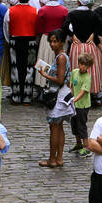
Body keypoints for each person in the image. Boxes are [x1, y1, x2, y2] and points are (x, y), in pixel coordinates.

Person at [37, 28, 73, 169]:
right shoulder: (61, 56)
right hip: (62, 95)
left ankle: (53, 159)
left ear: (62, 42)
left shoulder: (61, 58)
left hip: (58, 95)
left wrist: (44, 75)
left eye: (55, 41)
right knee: (59, 127)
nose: (52, 44)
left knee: (54, 128)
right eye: (51, 41)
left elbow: (59, 79)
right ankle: (59, 158)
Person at [7, 0, 39, 105]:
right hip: (30, 41)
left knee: (15, 68)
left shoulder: (10, 11)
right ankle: (27, 97)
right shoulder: (35, 11)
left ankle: (16, 96)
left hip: (15, 40)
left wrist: (9, 39)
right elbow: (37, 28)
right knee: (29, 68)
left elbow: (6, 28)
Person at [69, 52, 93, 155]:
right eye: (81, 64)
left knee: (81, 125)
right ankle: (78, 144)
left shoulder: (87, 77)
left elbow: (82, 92)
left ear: (88, 67)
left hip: (82, 106)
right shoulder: (74, 72)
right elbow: (71, 86)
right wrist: (70, 97)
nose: (82, 67)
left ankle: (86, 147)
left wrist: (73, 100)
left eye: (85, 65)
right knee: (74, 125)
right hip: (74, 105)